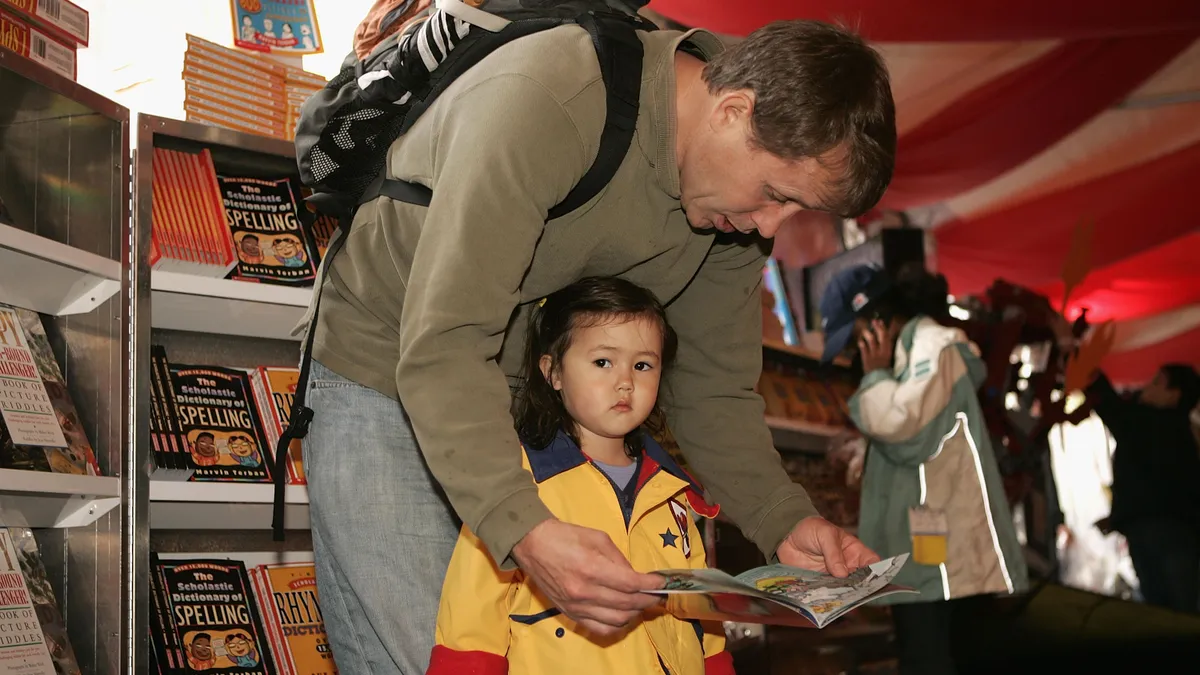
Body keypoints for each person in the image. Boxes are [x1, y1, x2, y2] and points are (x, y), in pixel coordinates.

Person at [301, 15, 895, 674]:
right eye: (776, 194)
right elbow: (447, 340)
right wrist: (524, 526)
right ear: (732, 110)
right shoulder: (552, 97)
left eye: (794, 210)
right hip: (383, 368)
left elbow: (711, 388)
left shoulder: (732, 213)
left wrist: (784, 517)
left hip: (524, 409)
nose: (769, 225)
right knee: (425, 658)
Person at [428, 277, 733, 675]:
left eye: (643, 365)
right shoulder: (512, 484)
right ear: (553, 372)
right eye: (603, 362)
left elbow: (702, 621)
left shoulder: (673, 491)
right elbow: (471, 621)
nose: (625, 381)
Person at [819, 264, 1028, 675]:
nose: (852, 350)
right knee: (932, 654)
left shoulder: (932, 346)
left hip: (939, 548)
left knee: (931, 658)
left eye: (854, 334)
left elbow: (905, 430)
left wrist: (876, 375)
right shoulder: (912, 352)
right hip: (930, 540)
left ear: (876, 321)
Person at [1085, 363, 1200, 613]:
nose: (1148, 387)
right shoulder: (1180, 431)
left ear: (1174, 394)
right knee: (1180, 610)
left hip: (1159, 531)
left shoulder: (1153, 423)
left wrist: (1089, 372)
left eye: (1157, 382)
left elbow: (1112, 408)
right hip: (1175, 530)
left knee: (1166, 611)